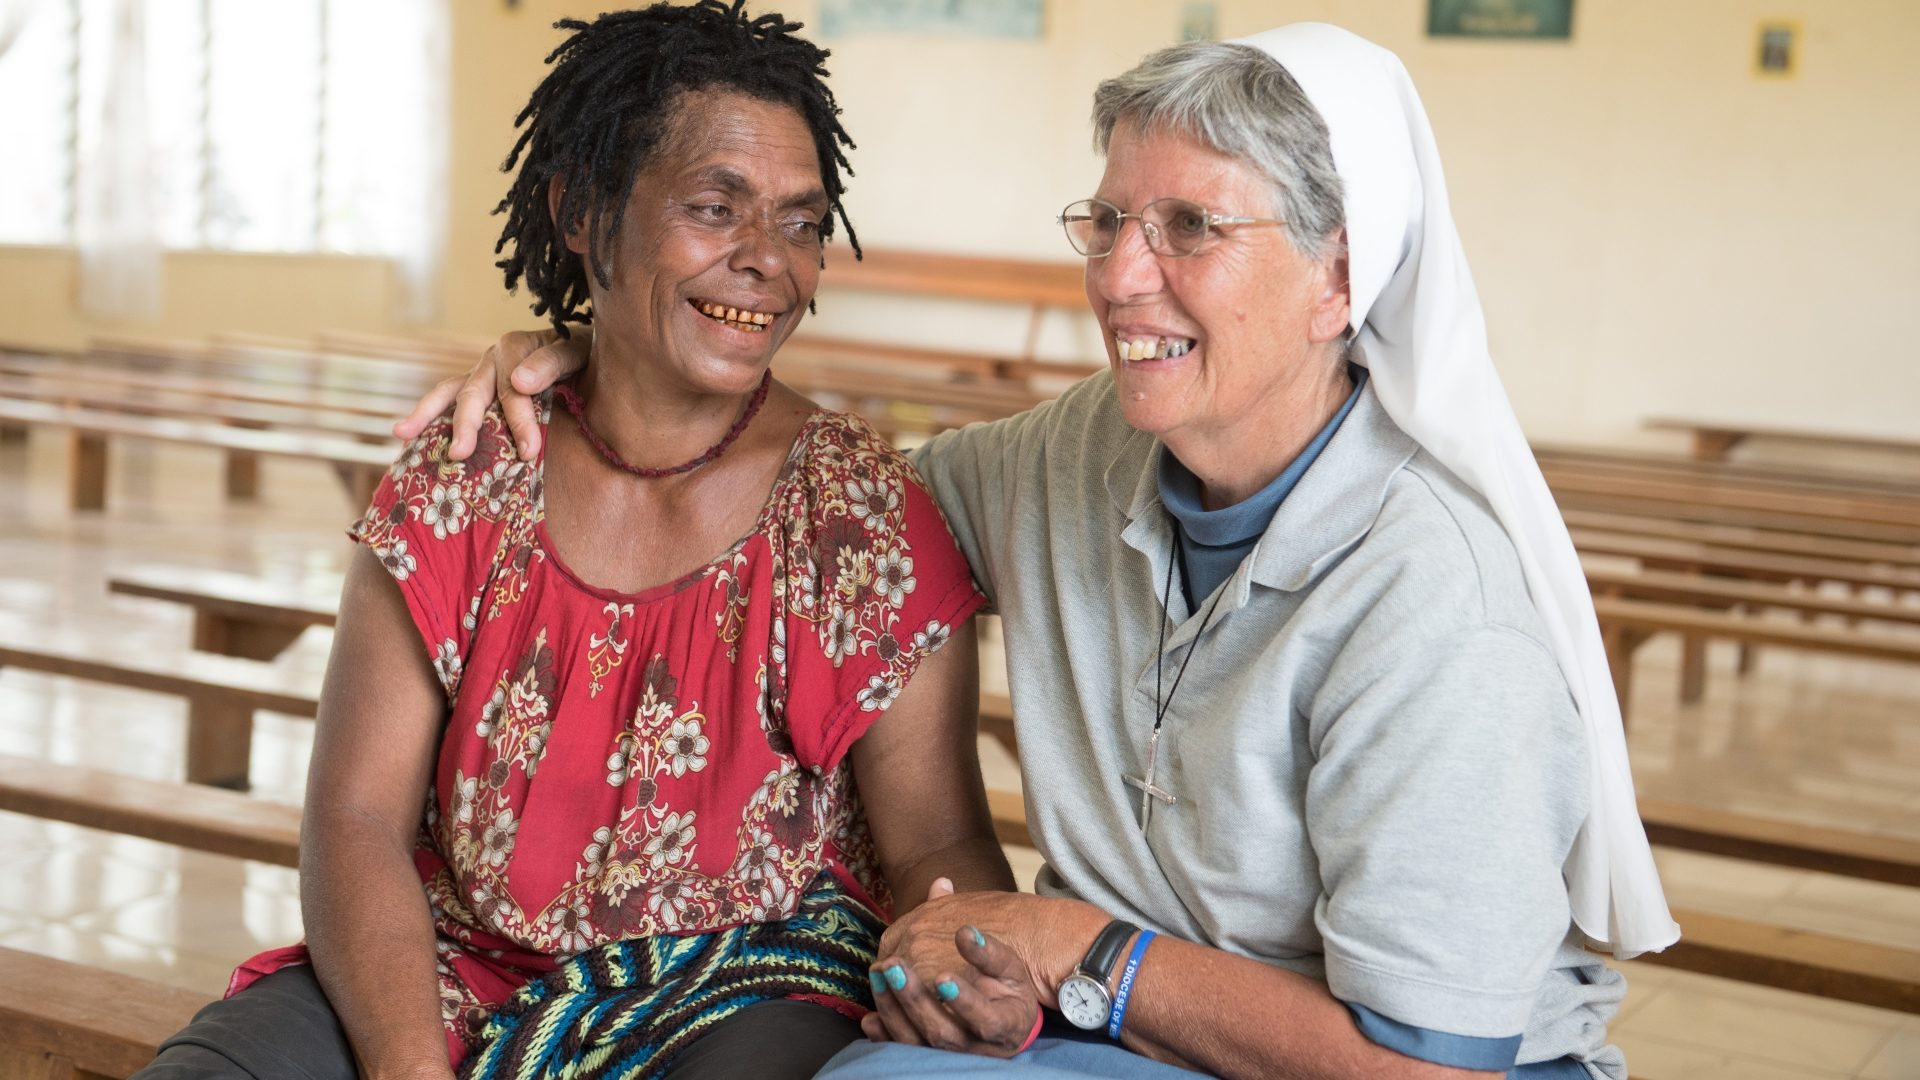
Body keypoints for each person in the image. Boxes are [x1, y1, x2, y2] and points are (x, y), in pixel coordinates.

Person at [411, 22, 1681, 1080]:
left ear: (1338, 279)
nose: (1123, 278)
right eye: (1110, 218)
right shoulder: (1080, 456)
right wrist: (610, 373)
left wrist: (1082, 947)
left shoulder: (1440, 607)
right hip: (1132, 1028)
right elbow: (825, 517)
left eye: (1191, 226)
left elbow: (1426, 1063)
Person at [133, 5, 1013, 1079]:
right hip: (454, 964)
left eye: (798, 221)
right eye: (713, 207)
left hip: (747, 986)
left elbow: (935, 844)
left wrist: (969, 959)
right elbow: (357, 817)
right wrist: (411, 1068)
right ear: (583, 211)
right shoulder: (467, 479)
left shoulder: (857, 515)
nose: (764, 262)